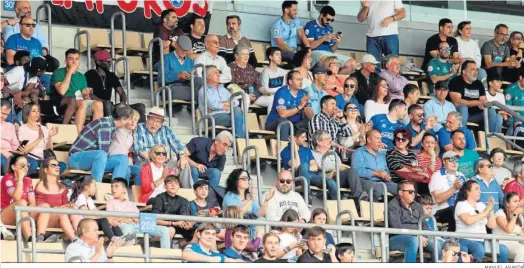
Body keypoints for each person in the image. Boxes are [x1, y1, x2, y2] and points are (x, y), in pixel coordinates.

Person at [68, 104, 133, 182]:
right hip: (76, 158)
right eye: (129, 119)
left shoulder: (110, 124)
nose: (130, 122)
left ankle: (117, 189)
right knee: (101, 154)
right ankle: (96, 189)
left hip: (93, 160)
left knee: (123, 159)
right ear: (123, 119)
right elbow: (104, 153)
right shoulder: (105, 125)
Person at [106, 178, 170, 249]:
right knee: (128, 228)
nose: (113, 189)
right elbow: (110, 219)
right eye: (112, 186)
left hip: (137, 225)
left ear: (124, 190)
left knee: (164, 230)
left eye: (116, 186)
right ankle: (128, 254)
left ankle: (166, 256)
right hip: (123, 225)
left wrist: (131, 218)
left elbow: (138, 218)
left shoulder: (131, 204)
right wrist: (127, 217)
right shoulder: (110, 202)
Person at [454, 180, 509, 262]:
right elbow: (468, 221)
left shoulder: (481, 205)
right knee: (479, 249)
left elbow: (492, 226)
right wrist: (486, 212)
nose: (480, 191)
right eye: (476, 189)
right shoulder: (461, 204)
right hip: (465, 239)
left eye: (479, 189)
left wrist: (490, 210)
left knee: (503, 250)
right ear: (468, 191)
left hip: (483, 240)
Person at [388, 180, 443, 263]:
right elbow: (397, 227)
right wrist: (417, 235)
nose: (413, 194)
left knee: (436, 243)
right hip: (397, 238)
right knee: (413, 241)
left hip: (418, 236)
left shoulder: (417, 206)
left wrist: (422, 236)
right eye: (410, 192)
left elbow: (424, 225)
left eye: (414, 191)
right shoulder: (392, 206)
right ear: (401, 193)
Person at [51, 48, 103, 133]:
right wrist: (69, 72)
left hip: (79, 101)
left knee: (98, 104)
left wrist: (86, 94)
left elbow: (85, 98)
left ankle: (94, 135)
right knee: (81, 102)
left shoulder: (81, 77)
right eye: (71, 59)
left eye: (77, 59)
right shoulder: (58, 72)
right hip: (63, 102)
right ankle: (80, 136)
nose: (74, 62)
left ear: (79, 62)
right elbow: (62, 91)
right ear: (65, 61)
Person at [85, 50, 146, 119]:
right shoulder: (90, 74)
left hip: (110, 106)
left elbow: (122, 93)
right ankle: (109, 128)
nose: (110, 63)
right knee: (107, 104)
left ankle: (140, 129)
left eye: (110, 61)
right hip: (98, 106)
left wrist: (123, 104)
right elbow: (90, 95)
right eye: (107, 61)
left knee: (140, 107)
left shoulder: (112, 75)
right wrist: (104, 102)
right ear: (98, 62)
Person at [34, 158, 80, 242]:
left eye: (58, 165)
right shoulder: (40, 185)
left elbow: (65, 205)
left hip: (60, 219)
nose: (57, 167)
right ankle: (40, 236)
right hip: (44, 219)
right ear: (45, 169)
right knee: (60, 213)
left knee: (73, 211)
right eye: (53, 165)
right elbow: (40, 207)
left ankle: (79, 238)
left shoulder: (62, 187)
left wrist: (70, 206)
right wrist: (59, 208)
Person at [310, 130, 364, 200]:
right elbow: (322, 166)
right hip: (328, 178)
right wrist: (339, 166)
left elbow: (339, 165)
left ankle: (361, 198)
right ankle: (359, 199)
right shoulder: (312, 153)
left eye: (330, 138)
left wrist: (340, 166)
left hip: (338, 176)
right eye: (327, 139)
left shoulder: (333, 152)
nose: (330, 141)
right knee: (351, 171)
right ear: (319, 142)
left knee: (354, 172)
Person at [69, 176, 124, 241]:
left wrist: (109, 219)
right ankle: (113, 238)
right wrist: (106, 219)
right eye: (94, 185)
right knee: (104, 220)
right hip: (84, 223)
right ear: (87, 187)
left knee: (111, 221)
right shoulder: (81, 197)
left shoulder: (89, 199)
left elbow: (97, 213)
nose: (96, 188)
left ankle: (122, 238)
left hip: (91, 221)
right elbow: (86, 215)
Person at [304, 6, 355, 75]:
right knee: (329, 61)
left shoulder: (329, 28)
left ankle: (336, 80)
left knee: (352, 63)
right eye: (328, 19)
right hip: (315, 53)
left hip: (329, 54)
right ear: (321, 15)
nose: (329, 22)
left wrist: (337, 42)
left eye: (332, 20)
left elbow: (332, 50)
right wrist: (324, 37)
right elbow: (310, 46)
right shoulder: (310, 25)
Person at [17, 103, 65, 175]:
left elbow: (49, 149)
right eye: (33, 111)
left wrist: (50, 136)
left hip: (43, 159)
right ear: (27, 113)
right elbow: (24, 151)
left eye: (38, 111)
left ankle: (47, 179)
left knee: (62, 165)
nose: (37, 113)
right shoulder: (23, 129)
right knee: (34, 163)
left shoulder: (44, 128)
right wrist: (39, 138)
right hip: (29, 158)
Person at [198, 65, 245, 138]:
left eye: (219, 72)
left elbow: (236, 102)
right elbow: (213, 105)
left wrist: (224, 104)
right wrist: (227, 104)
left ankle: (238, 137)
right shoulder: (203, 90)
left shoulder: (223, 89)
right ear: (208, 76)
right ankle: (239, 139)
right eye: (215, 72)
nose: (219, 74)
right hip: (213, 117)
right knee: (239, 119)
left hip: (228, 114)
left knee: (237, 110)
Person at [357, 0, 405, 71]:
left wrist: (391, 18)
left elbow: (402, 13)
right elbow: (360, 18)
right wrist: (365, 7)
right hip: (372, 36)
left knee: (393, 65)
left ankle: (393, 82)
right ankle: (376, 82)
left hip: (390, 35)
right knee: (373, 66)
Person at [265, 70, 311, 141]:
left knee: (310, 122)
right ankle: (284, 148)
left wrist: (305, 105)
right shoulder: (281, 92)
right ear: (290, 82)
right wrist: (299, 107)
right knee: (285, 122)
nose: (301, 82)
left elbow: (311, 116)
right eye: (298, 79)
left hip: (295, 124)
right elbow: (282, 114)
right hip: (275, 122)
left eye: (301, 79)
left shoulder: (304, 93)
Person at [352, 129, 399, 199]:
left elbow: (386, 169)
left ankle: (392, 209)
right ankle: (367, 208)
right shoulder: (358, 152)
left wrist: (386, 176)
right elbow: (356, 171)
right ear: (369, 140)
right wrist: (376, 173)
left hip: (383, 182)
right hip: (365, 181)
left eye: (380, 139)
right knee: (378, 188)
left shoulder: (381, 154)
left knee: (402, 189)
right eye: (377, 138)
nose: (380, 141)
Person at [386, 127, 431, 194]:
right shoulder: (391, 151)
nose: (400, 141)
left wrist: (420, 171)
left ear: (408, 141)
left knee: (432, 185)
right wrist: (413, 170)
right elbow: (396, 166)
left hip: (413, 181)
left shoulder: (411, 154)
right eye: (398, 139)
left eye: (403, 139)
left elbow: (416, 167)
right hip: (399, 182)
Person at [0, 155, 34, 241]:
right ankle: (29, 238)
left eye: (27, 165)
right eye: (22, 165)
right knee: (22, 202)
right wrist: (20, 180)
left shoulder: (28, 180)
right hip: (5, 215)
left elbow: (33, 202)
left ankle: (42, 235)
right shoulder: (7, 178)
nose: (26, 168)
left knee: (44, 206)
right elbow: (17, 197)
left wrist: (25, 213)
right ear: (13, 167)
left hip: (22, 214)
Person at [151, 175, 193, 244]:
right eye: (170, 183)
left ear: (179, 187)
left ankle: (191, 249)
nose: (173, 185)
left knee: (197, 231)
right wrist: (172, 223)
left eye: (176, 183)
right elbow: (155, 219)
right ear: (164, 186)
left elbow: (184, 216)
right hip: (164, 225)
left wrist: (187, 223)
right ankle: (164, 251)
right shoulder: (159, 198)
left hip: (178, 226)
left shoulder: (183, 200)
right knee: (170, 230)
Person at [429, 151, 466, 228]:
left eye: (456, 160)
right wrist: (454, 188)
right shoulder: (437, 176)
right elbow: (438, 199)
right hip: (441, 211)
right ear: (443, 161)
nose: (454, 163)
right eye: (451, 160)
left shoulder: (461, 175)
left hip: (458, 210)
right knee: (454, 211)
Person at [448, 60, 488, 128]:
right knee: (463, 107)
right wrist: (476, 102)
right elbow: (457, 102)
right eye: (473, 69)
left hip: (475, 115)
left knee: (492, 112)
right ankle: (461, 132)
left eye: (476, 70)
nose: (476, 72)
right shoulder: (455, 81)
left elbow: (483, 101)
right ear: (464, 72)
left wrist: (484, 104)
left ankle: (491, 138)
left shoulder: (479, 83)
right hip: (458, 114)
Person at [258, 47, 287, 111]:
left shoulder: (282, 71)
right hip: (266, 97)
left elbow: (284, 87)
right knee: (273, 100)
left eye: (280, 55)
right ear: (270, 57)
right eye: (277, 54)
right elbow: (266, 91)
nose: (280, 57)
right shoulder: (266, 72)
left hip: (279, 96)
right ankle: (271, 120)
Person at [0, 99, 19, 175]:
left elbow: (15, 145)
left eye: (7, 114)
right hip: (2, 154)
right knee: (5, 161)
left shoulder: (10, 126)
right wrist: (2, 151)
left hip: (10, 153)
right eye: (2, 113)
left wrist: (19, 151)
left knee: (30, 162)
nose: (4, 116)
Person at [505, 68, 524, 134]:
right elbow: (508, 108)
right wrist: (517, 117)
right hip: (513, 117)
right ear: (521, 77)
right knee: (518, 126)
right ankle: (509, 142)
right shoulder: (510, 89)